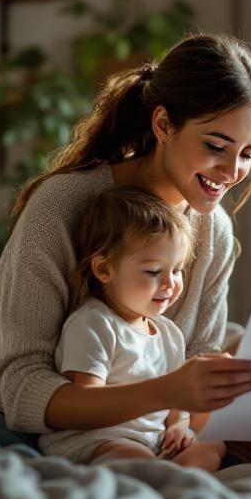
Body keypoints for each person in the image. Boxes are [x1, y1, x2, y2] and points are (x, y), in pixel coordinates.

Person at [0, 34, 251, 451]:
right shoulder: (65, 203)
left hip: (113, 429)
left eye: (248, 153)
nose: (232, 171)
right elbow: (20, 388)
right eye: (216, 146)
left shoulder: (214, 233)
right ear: (163, 125)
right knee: (34, 477)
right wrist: (167, 392)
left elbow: (193, 376)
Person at [40, 187, 226, 470]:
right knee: (133, 458)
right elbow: (86, 404)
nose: (170, 284)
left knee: (213, 444)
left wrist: (180, 426)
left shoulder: (169, 334)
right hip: (99, 439)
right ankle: (161, 481)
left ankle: (181, 483)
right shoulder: (93, 323)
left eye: (177, 270)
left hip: (151, 442)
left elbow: (180, 399)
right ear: (104, 269)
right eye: (153, 272)